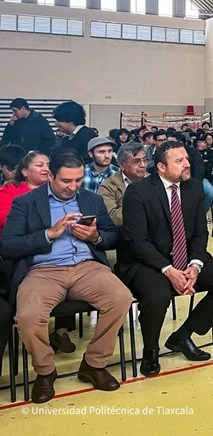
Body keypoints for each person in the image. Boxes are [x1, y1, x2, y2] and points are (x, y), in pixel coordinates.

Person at [1, 148, 132, 403]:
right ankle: (45, 371)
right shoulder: (26, 202)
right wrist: (49, 234)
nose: (73, 187)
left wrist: (95, 237)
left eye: (78, 180)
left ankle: (93, 364)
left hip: (86, 267)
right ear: (50, 175)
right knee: (28, 316)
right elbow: (7, 246)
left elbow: (113, 236)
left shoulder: (92, 199)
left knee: (120, 298)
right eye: (66, 181)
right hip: (43, 270)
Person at [117, 141, 213, 377]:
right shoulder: (139, 192)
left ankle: (183, 335)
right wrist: (168, 269)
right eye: (179, 161)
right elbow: (137, 241)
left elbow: (199, 232)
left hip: (184, 256)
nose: (187, 164)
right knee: (157, 294)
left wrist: (195, 264)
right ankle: (151, 349)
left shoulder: (194, 188)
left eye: (187, 159)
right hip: (146, 260)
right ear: (161, 167)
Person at [99, 142, 148, 227]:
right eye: (136, 161)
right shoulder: (108, 186)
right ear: (122, 165)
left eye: (145, 160)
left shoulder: (153, 180)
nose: (143, 165)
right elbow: (113, 217)